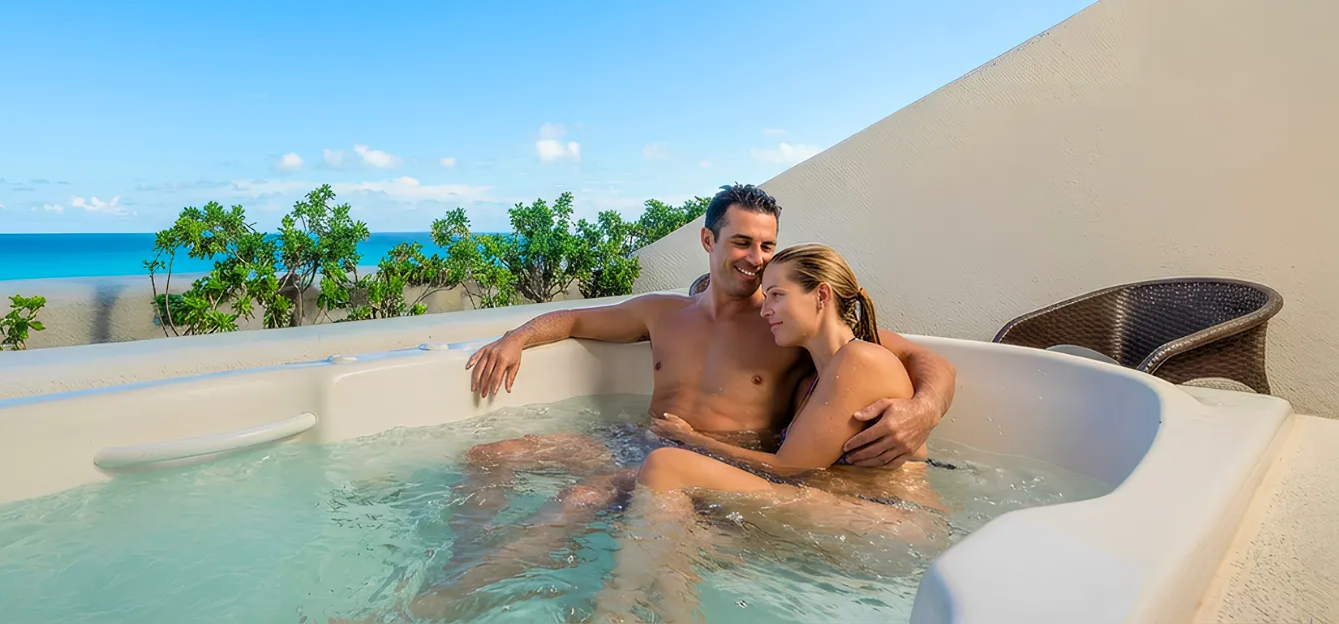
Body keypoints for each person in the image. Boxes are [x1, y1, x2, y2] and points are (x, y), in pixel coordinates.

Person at [409, 185, 954, 616]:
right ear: (708, 241)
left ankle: (449, 600)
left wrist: (923, 409)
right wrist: (517, 337)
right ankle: (466, 564)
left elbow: (922, 360)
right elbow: (574, 318)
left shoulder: (787, 321)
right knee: (490, 456)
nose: (758, 259)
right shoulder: (666, 313)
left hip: (720, 459)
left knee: (583, 498)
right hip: (644, 444)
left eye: (767, 246)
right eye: (743, 242)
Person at [594, 243, 946, 619]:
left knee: (667, 466)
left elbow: (788, 468)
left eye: (777, 295)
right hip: (853, 514)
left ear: (821, 295)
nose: (765, 310)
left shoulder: (860, 360)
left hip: (894, 524)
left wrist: (692, 439)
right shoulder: (811, 378)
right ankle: (674, 611)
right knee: (683, 525)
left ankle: (615, 606)